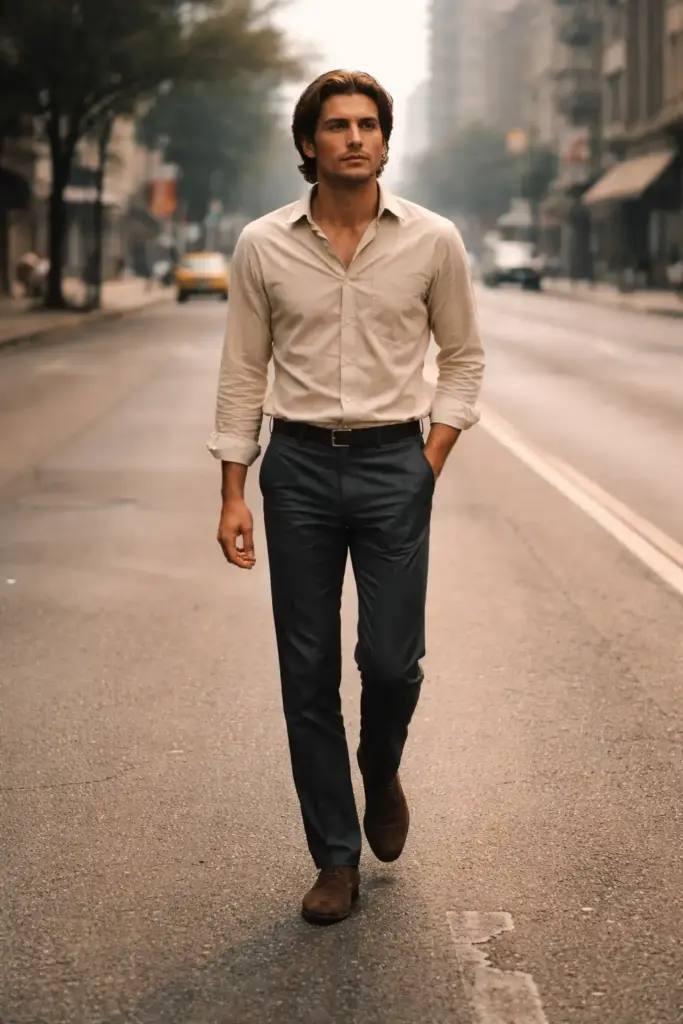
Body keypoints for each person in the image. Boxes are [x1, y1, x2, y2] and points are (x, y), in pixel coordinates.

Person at [209, 70, 485, 925]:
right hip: (293, 469)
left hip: (393, 464)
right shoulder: (262, 244)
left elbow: (463, 357)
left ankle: (380, 759)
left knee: (391, 662)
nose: (355, 138)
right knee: (307, 671)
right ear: (308, 144)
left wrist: (428, 459)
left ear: (385, 140)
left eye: (369, 124)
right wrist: (233, 490)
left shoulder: (433, 240)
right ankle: (334, 857)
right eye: (337, 126)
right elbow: (243, 370)